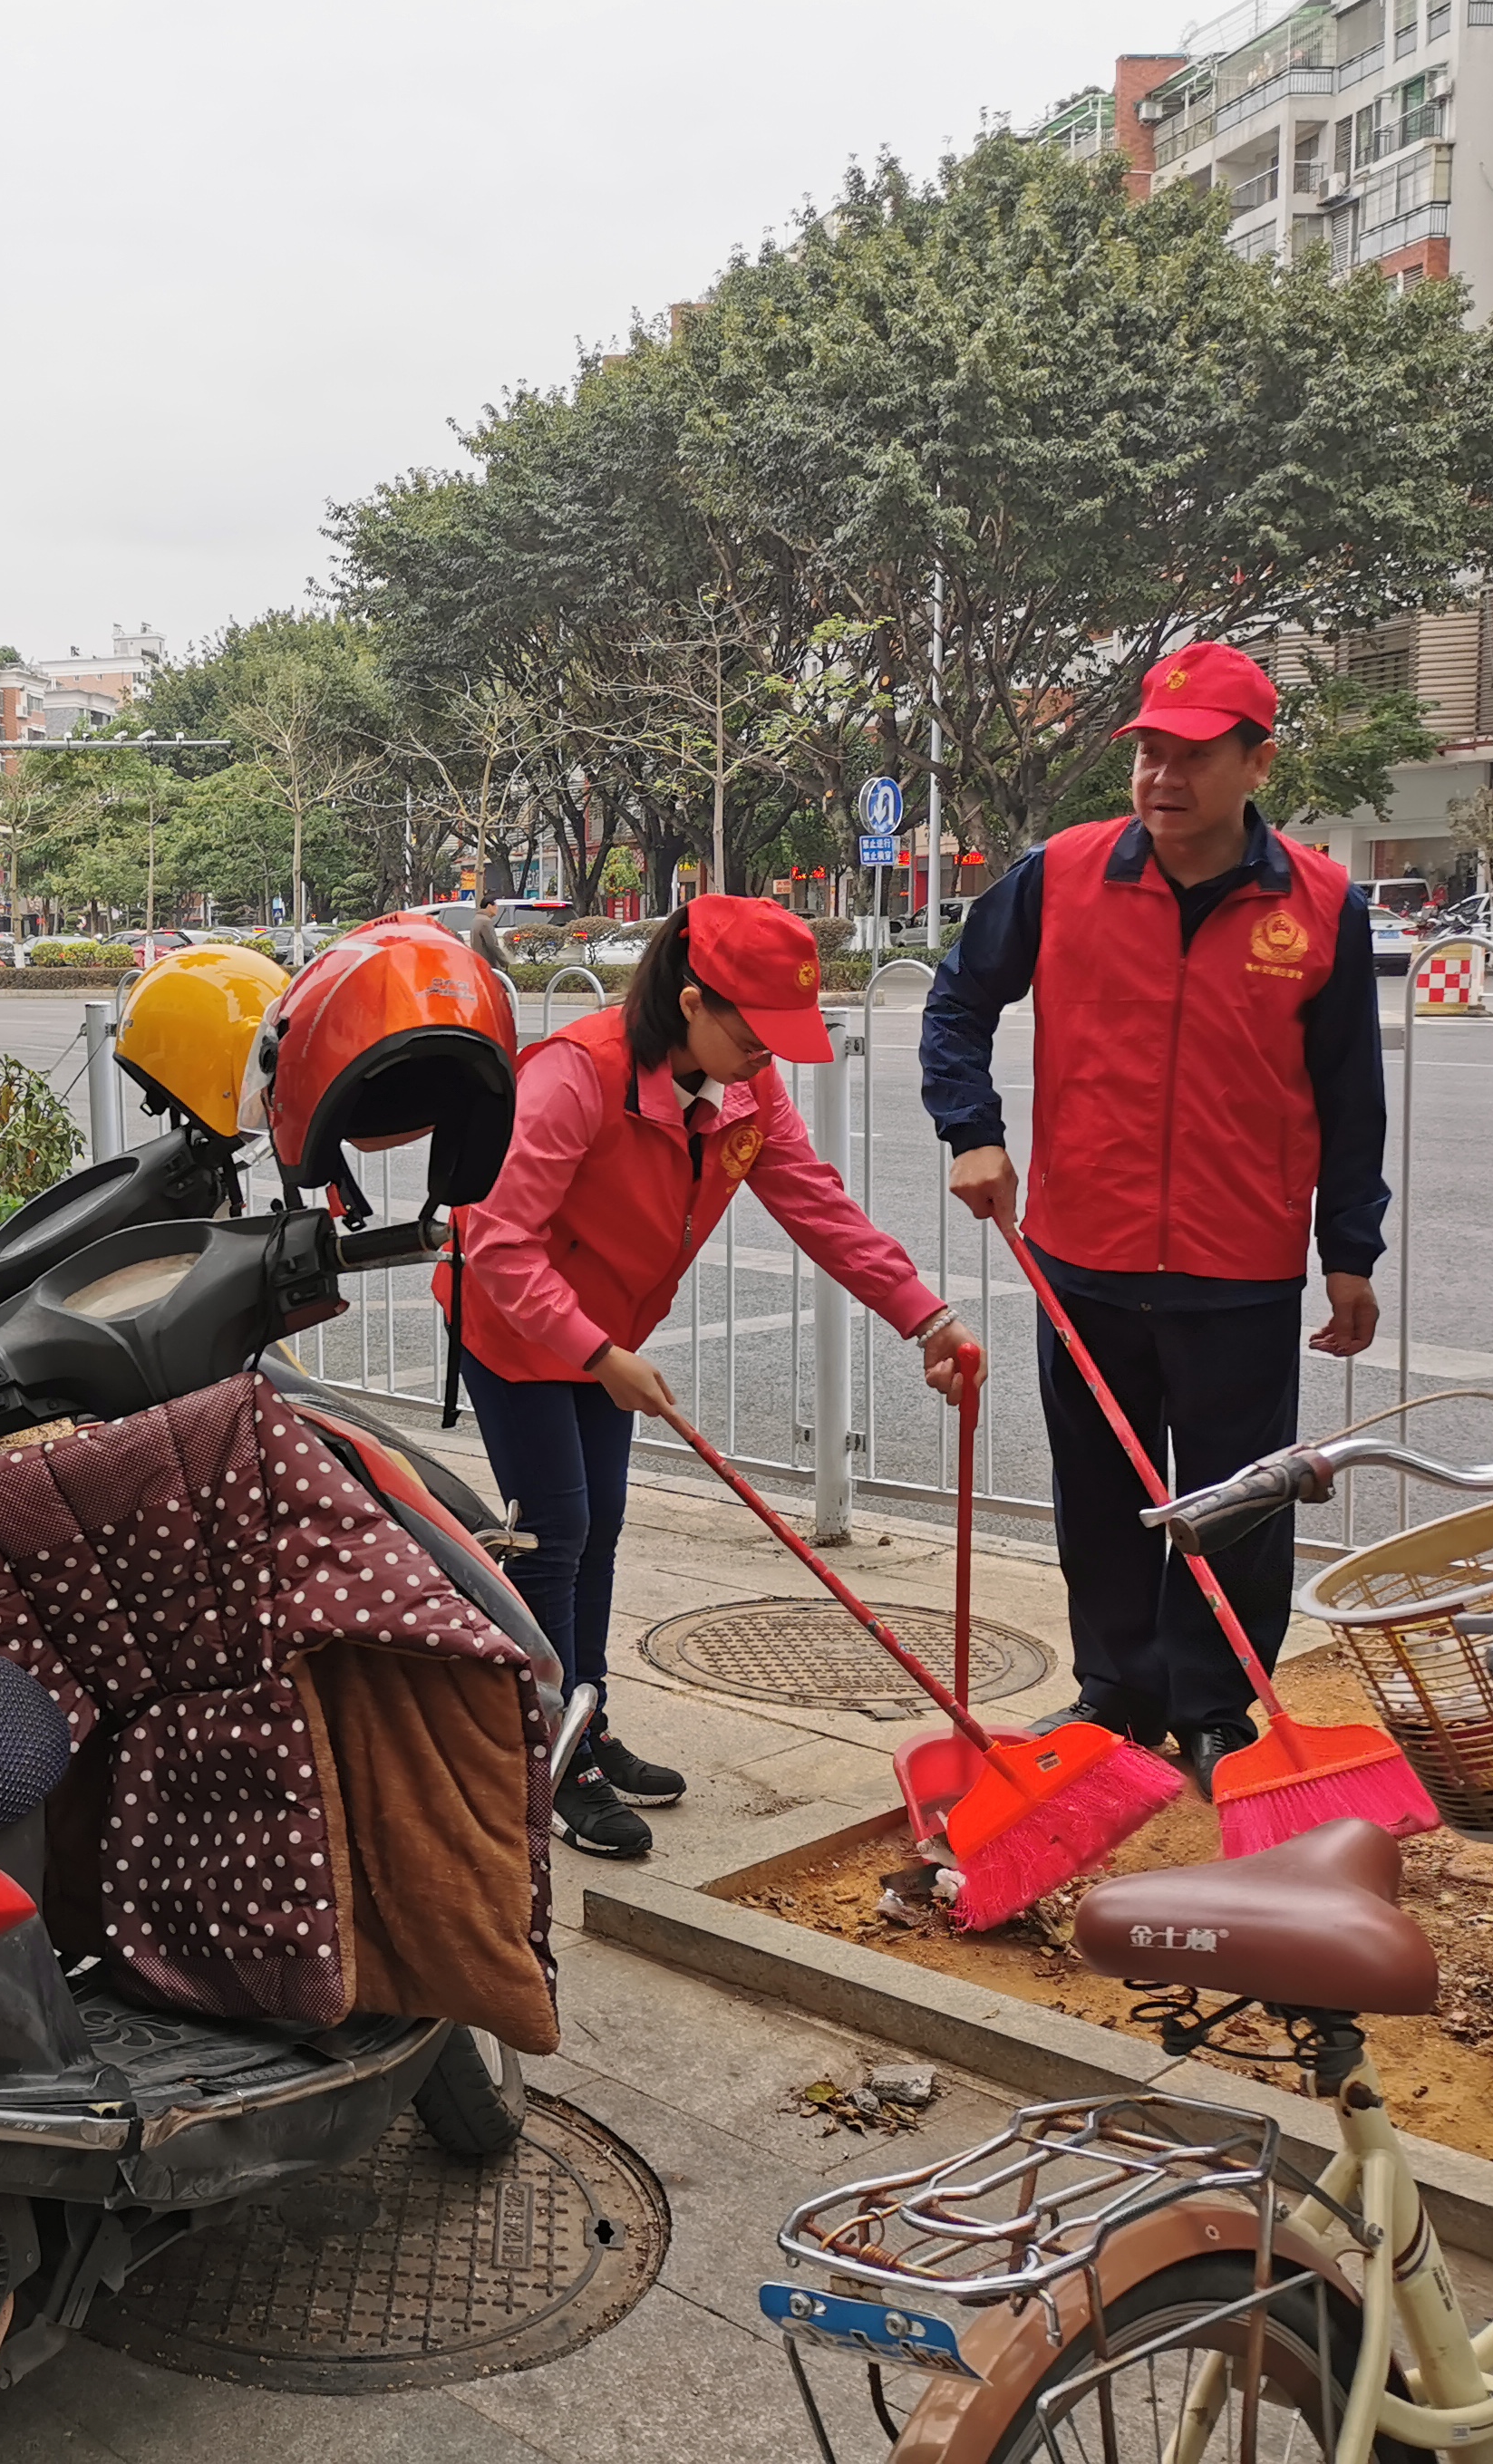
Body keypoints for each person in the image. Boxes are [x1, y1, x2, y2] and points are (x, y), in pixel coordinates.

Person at [920, 638, 1388, 1800]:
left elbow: (1349, 1093)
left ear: (1255, 759)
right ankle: (1119, 1689)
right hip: (1083, 1249)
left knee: (1235, 1504)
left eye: (1191, 756)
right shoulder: (1064, 874)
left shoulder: (1319, 903)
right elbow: (958, 998)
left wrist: (1351, 1253)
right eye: (1147, 755)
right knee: (1101, 1490)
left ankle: (1217, 1705)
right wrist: (970, 1128)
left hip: (1240, 1261)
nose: (1160, 779)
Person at [450, 895, 980, 1859]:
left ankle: (587, 1718)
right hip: (517, 1325)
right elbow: (497, 1242)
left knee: (599, 1524)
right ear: (691, 1001)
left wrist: (924, 1314)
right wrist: (600, 1355)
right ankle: (541, 1755)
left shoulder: (745, 1089)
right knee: (554, 1529)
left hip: (604, 1334)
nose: (769, 1057)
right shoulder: (578, 1076)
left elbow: (818, 1206)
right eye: (755, 1032)